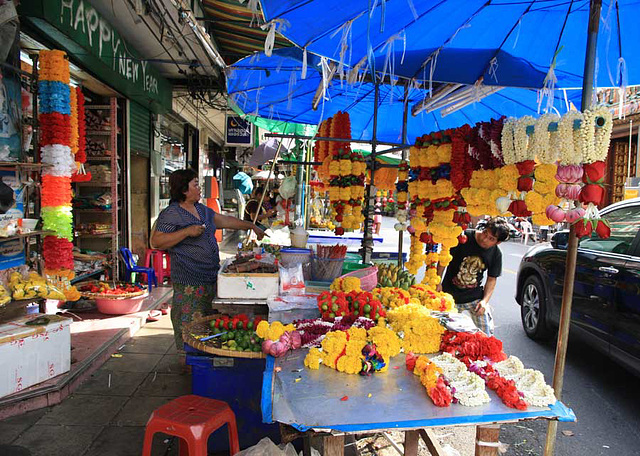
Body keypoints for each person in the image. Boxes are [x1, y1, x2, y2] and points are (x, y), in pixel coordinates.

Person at [151, 169, 265, 350]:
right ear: (183, 190)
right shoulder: (172, 213)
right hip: (189, 281)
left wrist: (250, 225)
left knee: (207, 324)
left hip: (210, 277)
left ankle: (203, 357)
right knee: (188, 325)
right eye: (195, 185)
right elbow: (156, 241)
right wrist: (187, 232)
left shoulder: (201, 210)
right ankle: (187, 361)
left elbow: (225, 220)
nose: (199, 188)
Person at [436, 217, 510, 336]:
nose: (485, 239)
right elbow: (443, 261)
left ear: (498, 242)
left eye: (491, 239)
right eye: (485, 233)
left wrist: (485, 301)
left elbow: (491, 279)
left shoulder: (496, 254)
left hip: (474, 298)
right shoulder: (463, 238)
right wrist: (437, 281)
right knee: (443, 333)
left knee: (486, 335)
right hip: (449, 295)